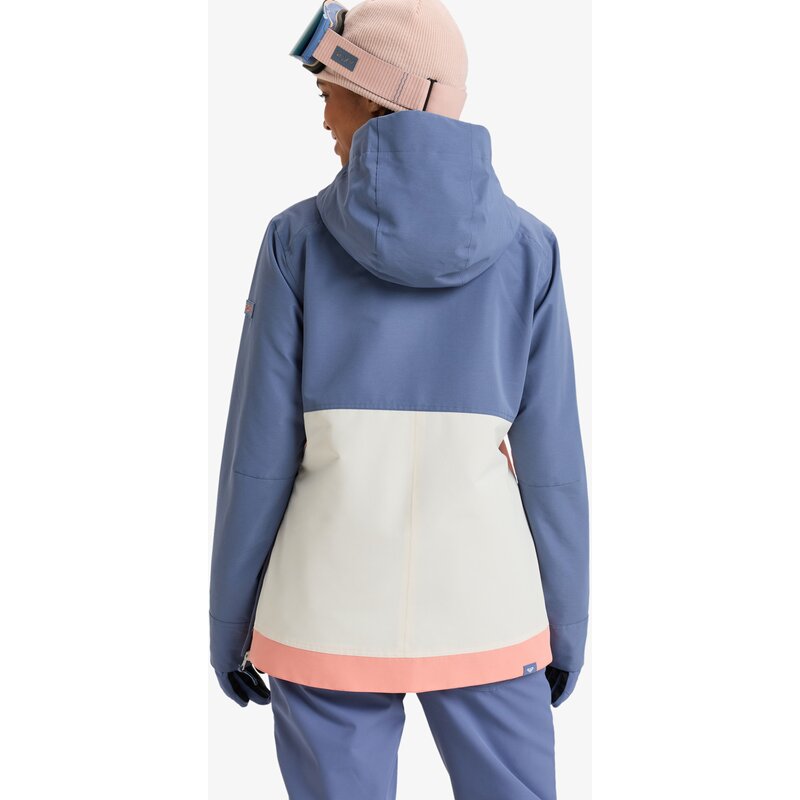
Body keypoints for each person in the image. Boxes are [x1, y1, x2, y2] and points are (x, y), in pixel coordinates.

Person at [209, 1, 590, 797]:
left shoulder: (293, 242)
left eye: (328, 96)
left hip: (324, 609)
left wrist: (229, 621)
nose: (324, 120)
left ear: (377, 96)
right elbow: (554, 468)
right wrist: (568, 622)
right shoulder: (530, 250)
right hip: (488, 607)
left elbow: (258, 459)